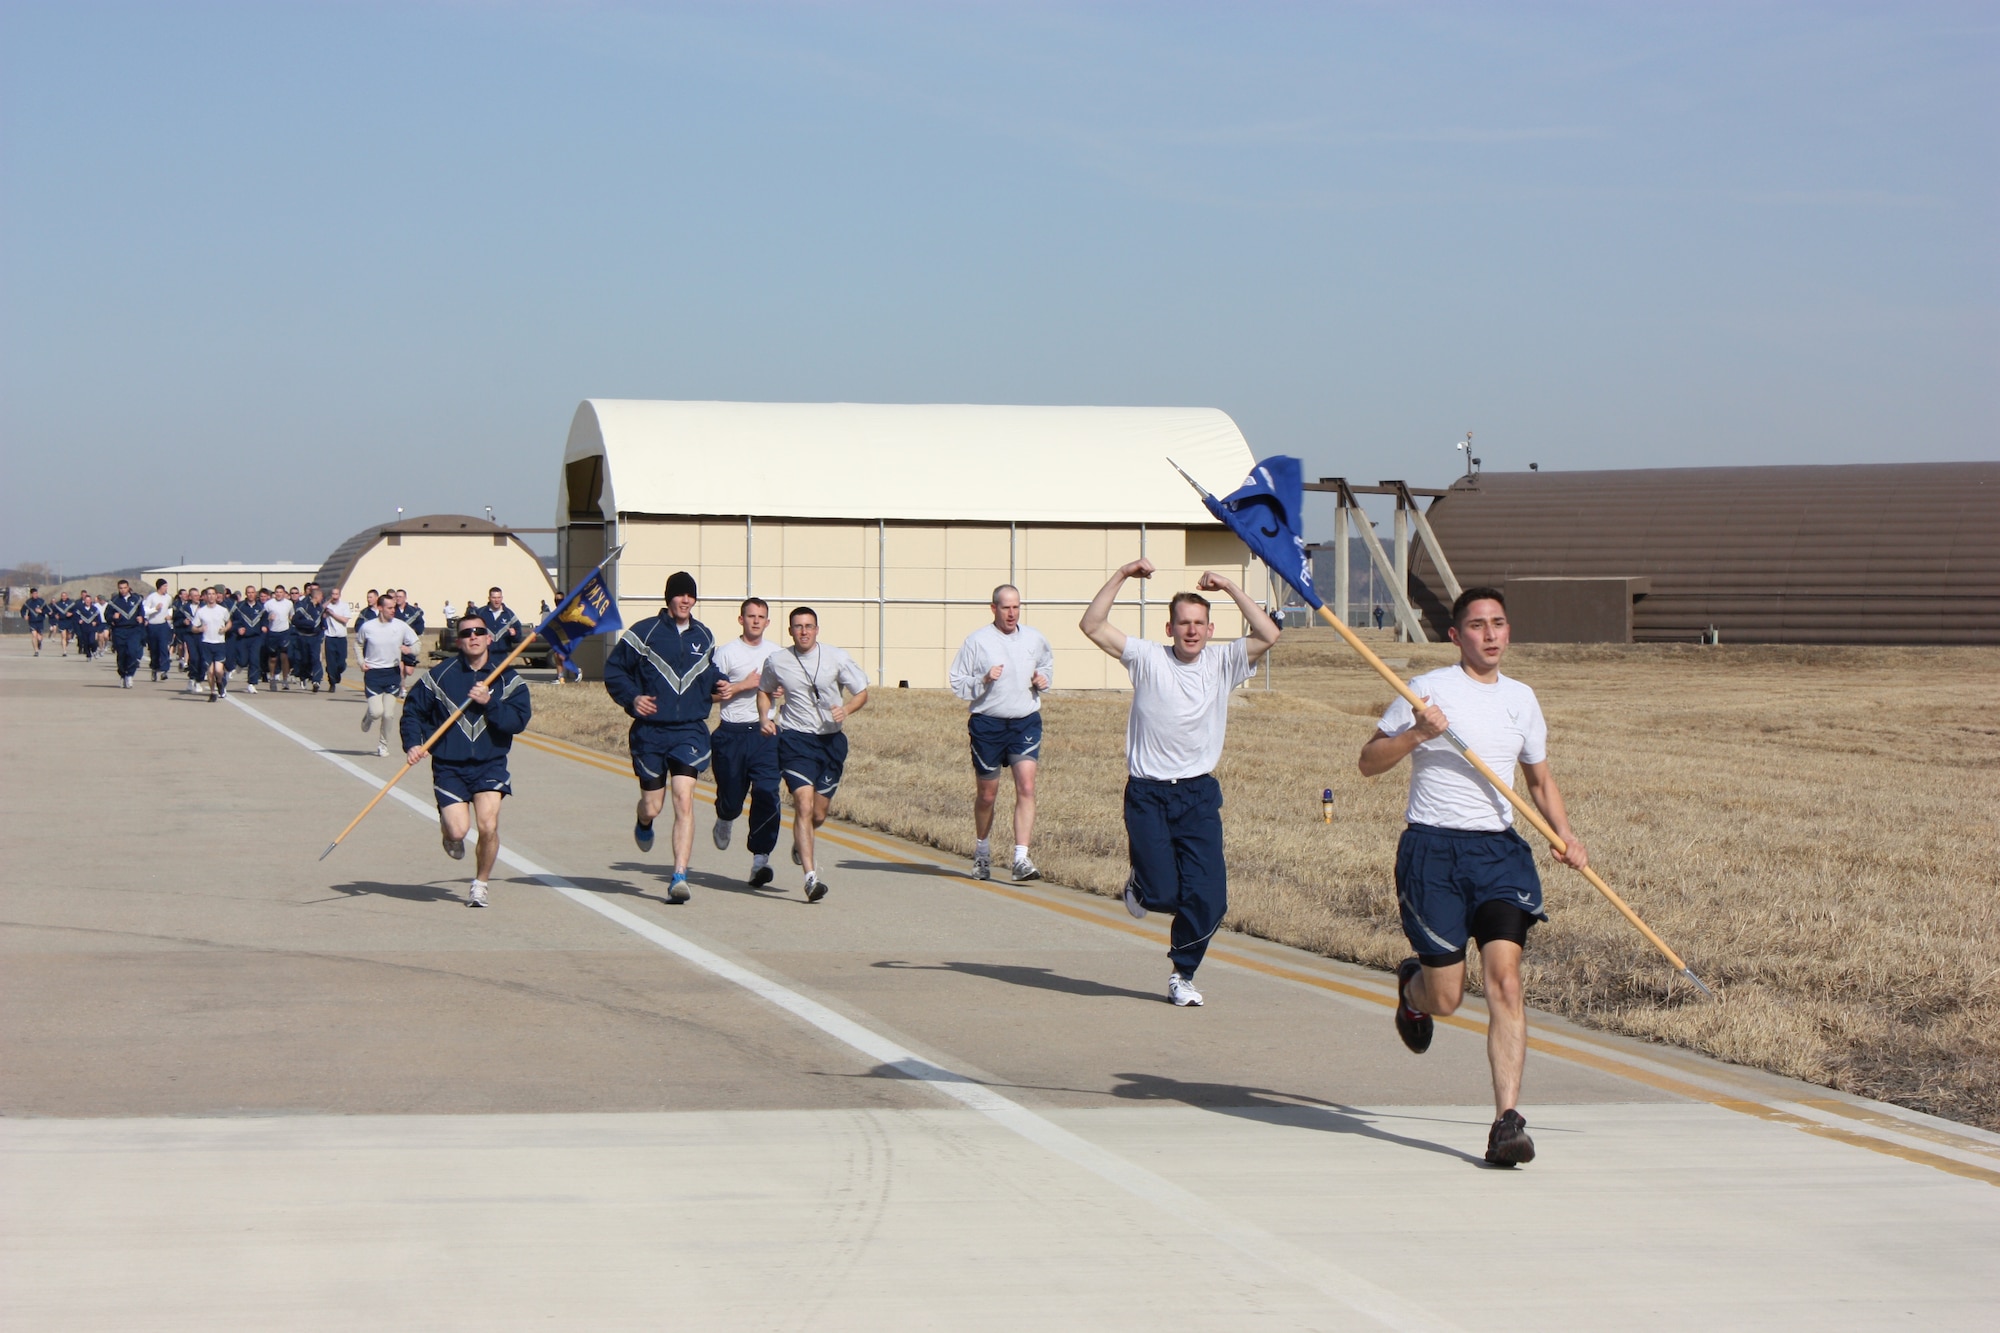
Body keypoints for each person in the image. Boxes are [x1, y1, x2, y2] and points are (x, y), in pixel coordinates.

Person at [1359, 586, 1586, 1168]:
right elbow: (1368, 762)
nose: (1491, 634)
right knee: (1449, 998)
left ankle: (1507, 1121)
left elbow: (1538, 780)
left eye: (1499, 623)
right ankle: (1413, 990)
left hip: (1499, 857)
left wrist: (1565, 835)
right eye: (1478, 625)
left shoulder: (1522, 699)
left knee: (1505, 980)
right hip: (1432, 853)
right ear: (1456, 635)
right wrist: (1416, 734)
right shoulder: (1426, 691)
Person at [1080, 559, 1280, 1008]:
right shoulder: (1146, 656)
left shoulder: (1224, 661)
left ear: (1211, 629)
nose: (1192, 631)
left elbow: (1269, 634)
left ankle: (1182, 973)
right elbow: (1092, 625)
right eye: (1183, 623)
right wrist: (1121, 576)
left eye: (1199, 624)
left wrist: (1229, 584)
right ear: (1169, 628)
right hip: (1148, 793)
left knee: (1210, 898)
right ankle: (1142, 885)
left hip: (1197, 795)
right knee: (1165, 894)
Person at [603, 571, 722, 903]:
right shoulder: (644, 632)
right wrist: (632, 698)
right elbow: (615, 671)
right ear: (668, 598)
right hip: (651, 733)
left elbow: (708, 671)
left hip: (689, 731)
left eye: (691, 596)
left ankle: (679, 876)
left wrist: (720, 682)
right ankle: (643, 821)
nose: (686, 601)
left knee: (684, 799)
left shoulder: (705, 635)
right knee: (653, 806)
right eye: (680, 595)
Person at [401, 611, 532, 908]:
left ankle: (480, 884)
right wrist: (413, 744)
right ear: (458, 642)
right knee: (459, 830)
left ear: (489, 638)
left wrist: (491, 703)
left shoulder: (507, 678)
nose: (472, 637)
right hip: (449, 766)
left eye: (478, 632)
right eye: (465, 633)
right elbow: (413, 712)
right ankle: (449, 832)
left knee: (488, 826)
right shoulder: (439, 676)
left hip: (490, 763)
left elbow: (518, 721)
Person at [757, 606, 869, 903]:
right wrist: (765, 718)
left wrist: (846, 709)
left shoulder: (837, 657)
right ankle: (810, 878)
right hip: (795, 741)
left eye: (809, 626)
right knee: (803, 806)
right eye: (798, 626)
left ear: (817, 629)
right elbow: (764, 690)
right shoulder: (778, 661)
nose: (803, 632)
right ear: (790, 631)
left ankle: (801, 840)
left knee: (818, 813)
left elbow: (862, 692)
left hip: (830, 742)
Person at [949, 584, 1054, 882]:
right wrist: (983, 679)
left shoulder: (1034, 638)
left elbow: (1047, 663)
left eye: (1016, 607)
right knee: (987, 794)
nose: (1012, 613)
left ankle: (1021, 858)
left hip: (1025, 721)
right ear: (993, 608)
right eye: (1006, 607)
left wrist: (1043, 678)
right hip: (988, 724)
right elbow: (957, 682)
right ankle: (982, 852)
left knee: (1027, 787)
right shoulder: (977, 641)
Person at [710, 597, 783, 888]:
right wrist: (745, 685)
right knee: (731, 798)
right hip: (731, 734)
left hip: (765, 734)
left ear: (767, 622)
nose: (756, 621)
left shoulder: (777, 654)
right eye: (750, 616)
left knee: (767, 792)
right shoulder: (725, 654)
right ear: (741, 620)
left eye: (761, 616)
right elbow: (710, 696)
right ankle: (725, 816)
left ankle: (760, 860)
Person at [357, 592, 419, 757]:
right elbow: (357, 643)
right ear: (380, 608)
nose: (393, 611)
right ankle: (368, 717)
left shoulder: (400, 626)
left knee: (389, 714)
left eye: (395, 607)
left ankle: (383, 745)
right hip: (373, 674)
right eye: (390, 608)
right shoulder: (368, 627)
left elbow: (416, 643)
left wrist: (410, 650)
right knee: (376, 712)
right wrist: (361, 662)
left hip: (392, 673)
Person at [190, 587, 230, 700]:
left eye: (213, 594)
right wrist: (199, 629)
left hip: (219, 643)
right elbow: (193, 627)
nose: (211, 596)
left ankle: (220, 682)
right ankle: (213, 692)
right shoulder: (201, 611)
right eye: (209, 594)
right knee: (210, 671)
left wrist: (225, 629)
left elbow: (229, 622)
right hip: (206, 643)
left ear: (216, 596)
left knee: (218, 670)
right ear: (205, 596)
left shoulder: (222, 610)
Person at [105, 579, 146, 687]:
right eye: (121, 588)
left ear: (128, 588)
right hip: (120, 630)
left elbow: (141, 612)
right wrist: (113, 617)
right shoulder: (114, 601)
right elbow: (107, 615)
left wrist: (141, 618)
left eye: (125, 588)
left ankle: (130, 675)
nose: (123, 590)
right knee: (122, 654)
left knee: (133, 652)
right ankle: (123, 674)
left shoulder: (136, 599)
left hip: (133, 630)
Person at [227, 586, 266, 693]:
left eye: (252, 592)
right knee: (243, 660)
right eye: (248, 592)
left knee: (254, 659)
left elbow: (265, 620)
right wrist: (238, 628)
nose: (250, 594)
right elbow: (232, 621)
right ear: (246, 594)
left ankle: (252, 683)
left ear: (255, 594)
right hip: (242, 638)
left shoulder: (261, 607)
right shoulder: (239, 607)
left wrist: (264, 626)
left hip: (256, 638)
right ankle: (239, 665)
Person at [290, 584, 327, 691]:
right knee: (305, 660)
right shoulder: (303, 606)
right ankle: (303, 676)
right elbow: (295, 620)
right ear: (316, 597)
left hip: (315, 638)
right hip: (303, 637)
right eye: (321, 597)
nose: (322, 599)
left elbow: (320, 620)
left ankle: (316, 680)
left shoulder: (320, 608)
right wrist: (308, 624)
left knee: (316, 658)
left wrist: (323, 626)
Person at [475, 587, 523, 657]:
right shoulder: (480, 613)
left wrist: (514, 634)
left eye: (499, 597)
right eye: (494, 598)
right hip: (484, 654)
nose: (497, 600)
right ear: (489, 598)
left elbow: (518, 638)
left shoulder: (509, 614)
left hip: (502, 655)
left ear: (502, 598)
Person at [263, 585, 295, 689]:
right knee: (273, 658)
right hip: (273, 633)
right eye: (277, 592)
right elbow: (263, 617)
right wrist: (269, 618)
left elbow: (291, 616)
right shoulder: (269, 604)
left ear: (284, 593)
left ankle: (285, 679)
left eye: (280, 592)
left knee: (284, 656)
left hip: (284, 632)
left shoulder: (289, 603)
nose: (278, 594)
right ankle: (272, 678)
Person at [141, 579, 174, 680]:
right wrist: (155, 609)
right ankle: (154, 668)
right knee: (154, 649)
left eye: (166, 586)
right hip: (152, 626)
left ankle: (164, 670)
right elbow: (145, 611)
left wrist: (169, 616)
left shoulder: (168, 598)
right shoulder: (152, 597)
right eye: (164, 586)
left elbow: (170, 609)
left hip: (163, 625)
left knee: (164, 647)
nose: (166, 588)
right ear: (159, 587)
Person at [322, 585, 352, 690]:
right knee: (331, 661)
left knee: (341, 662)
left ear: (339, 595)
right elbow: (321, 612)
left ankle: (336, 673)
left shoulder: (344, 606)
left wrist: (333, 614)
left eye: (336, 594)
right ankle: (332, 683)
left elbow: (345, 620)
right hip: (330, 637)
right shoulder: (327, 606)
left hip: (341, 637)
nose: (334, 596)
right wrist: (327, 605)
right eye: (333, 594)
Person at [74, 592, 105, 661]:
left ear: (91, 601)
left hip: (91, 628)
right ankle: (88, 655)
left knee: (92, 641)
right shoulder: (80, 609)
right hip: (83, 628)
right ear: (84, 601)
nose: (88, 601)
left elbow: (98, 619)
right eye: (86, 600)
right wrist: (79, 620)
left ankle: (94, 650)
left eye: (89, 600)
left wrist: (96, 622)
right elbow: (75, 617)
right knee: (85, 642)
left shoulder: (94, 609)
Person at [22, 587, 47, 656]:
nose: (35, 595)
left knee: (39, 637)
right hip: (32, 621)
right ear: (31, 594)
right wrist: (24, 615)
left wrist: (41, 611)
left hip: (40, 620)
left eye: (36, 593)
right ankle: (36, 651)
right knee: (34, 635)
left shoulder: (41, 601)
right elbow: (23, 610)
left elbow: (47, 610)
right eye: (34, 593)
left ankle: (39, 642)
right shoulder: (28, 602)